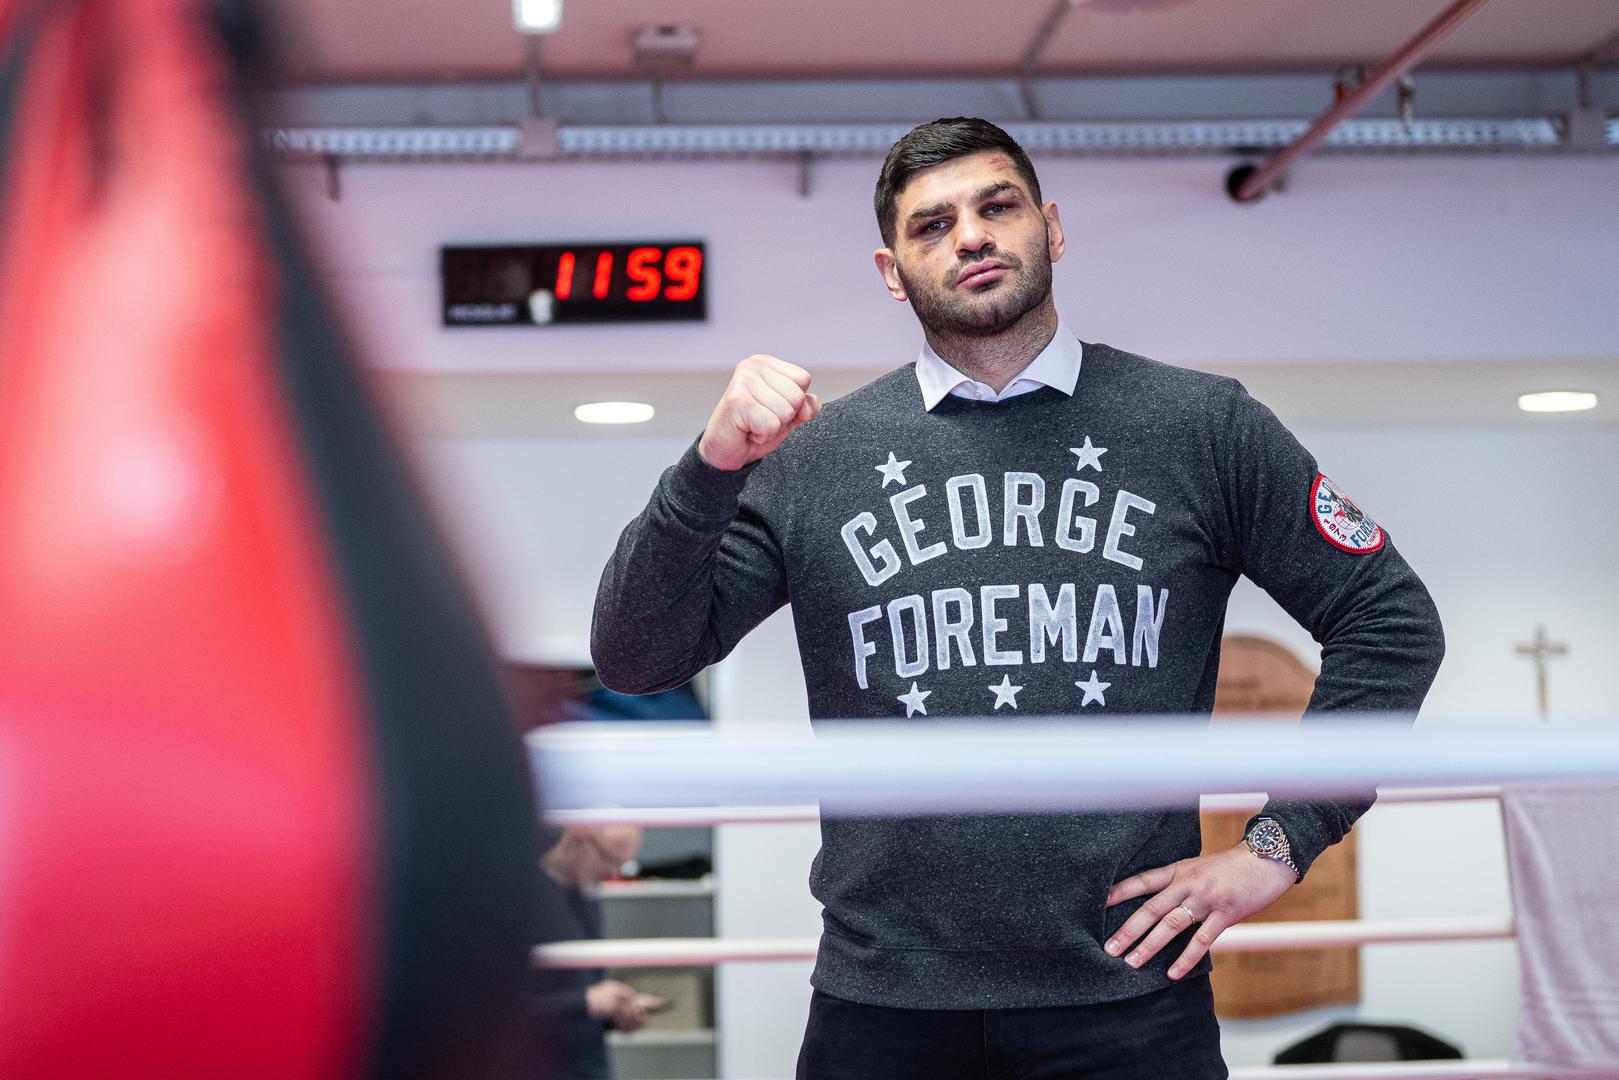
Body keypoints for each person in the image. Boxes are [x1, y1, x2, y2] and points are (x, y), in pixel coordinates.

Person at [591, 117, 1444, 1078]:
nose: (971, 236)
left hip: (1128, 1001)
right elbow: (635, 658)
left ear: (1051, 227)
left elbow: (1390, 622)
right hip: (884, 1003)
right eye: (932, 224)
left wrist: (1281, 842)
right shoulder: (811, 458)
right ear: (891, 271)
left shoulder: (1201, 427)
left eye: (996, 206)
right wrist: (709, 468)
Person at [514, 826, 667, 1079]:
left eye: (624, 865)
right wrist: (585, 1002)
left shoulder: (586, 896)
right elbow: (491, 1010)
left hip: (587, 1067)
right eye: (611, 859)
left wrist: (614, 1014)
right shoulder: (517, 897)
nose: (614, 873)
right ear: (580, 839)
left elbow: (584, 990)